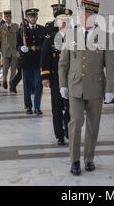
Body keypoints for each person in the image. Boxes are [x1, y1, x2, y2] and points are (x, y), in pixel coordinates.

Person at [58, 0, 114, 176]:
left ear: (94, 16)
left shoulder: (104, 36)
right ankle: (74, 160)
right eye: (81, 14)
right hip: (75, 86)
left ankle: (89, 158)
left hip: (96, 88)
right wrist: (62, 85)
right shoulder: (71, 35)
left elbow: (110, 66)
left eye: (87, 14)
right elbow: (63, 63)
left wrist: (110, 89)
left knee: (93, 125)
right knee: (75, 124)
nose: (83, 17)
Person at [41, 8, 73, 146]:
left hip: (72, 78)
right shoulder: (51, 38)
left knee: (71, 107)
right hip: (55, 78)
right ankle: (59, 134)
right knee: (57, 107)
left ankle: (68, 128)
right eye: (62, 21)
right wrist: (45, 76)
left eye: (67, 21)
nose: (65, 24)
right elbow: (45, 58)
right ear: (58, 23)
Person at [18, 8, 46, 115]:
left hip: (38, 61)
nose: (33, 18)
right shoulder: (22, 30)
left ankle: (37, 107)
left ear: (37, 17)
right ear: (27, 18)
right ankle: (28, 106)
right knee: (27, 86)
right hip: (26, 61)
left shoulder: (42, 29)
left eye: (34, 16)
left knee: (39, 85)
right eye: (30, 16)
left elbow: (45, 45)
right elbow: (18, 44)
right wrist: (21, 48)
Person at [0, 10, 19, 92]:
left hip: (14, 51)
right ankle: (5, 80)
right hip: (5, 51)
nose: (8, 18)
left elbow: (18, 38)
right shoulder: (1, 28)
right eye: (7, 17)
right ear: (4, 18)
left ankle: (12, 85)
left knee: (13, 70)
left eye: (10, 17)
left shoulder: (16, 26)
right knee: (5, 68)